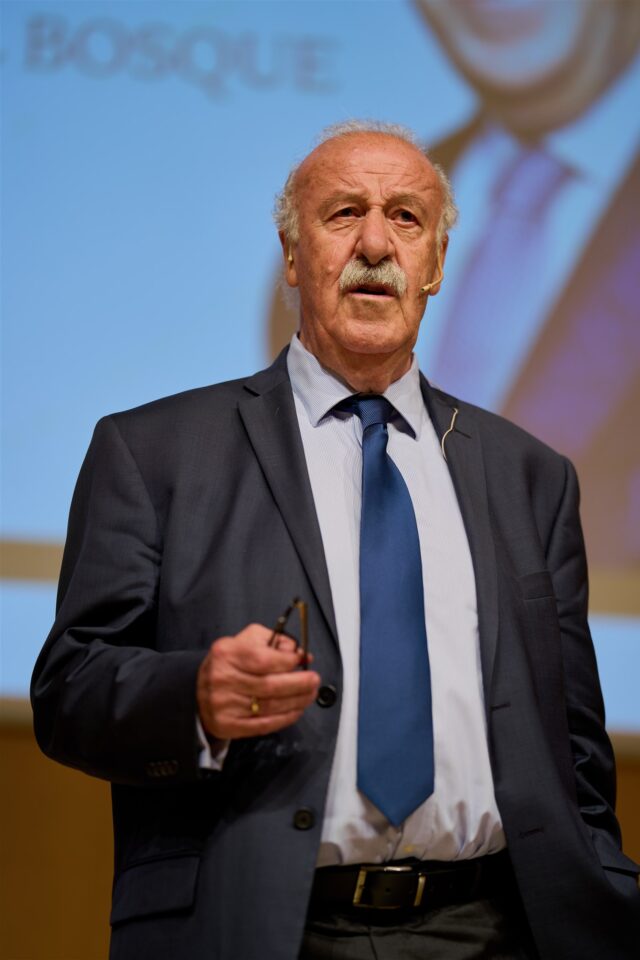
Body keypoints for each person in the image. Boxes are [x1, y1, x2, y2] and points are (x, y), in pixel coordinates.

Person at [31, 121, 639, 960]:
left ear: (435, 264)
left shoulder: (531, 476)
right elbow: (70, 688)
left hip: (496, 929)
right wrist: (193, 699)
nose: (376, 245)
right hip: (260, 929)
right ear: (292, 255)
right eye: (344, 213)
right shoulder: (154, 452)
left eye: (406, 218)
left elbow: (575, 747)